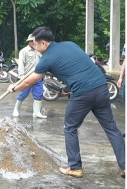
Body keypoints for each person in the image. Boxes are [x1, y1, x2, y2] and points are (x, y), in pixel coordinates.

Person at [7, 26, 125, 178]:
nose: (35, 48)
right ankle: (125, 166)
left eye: (35, 45)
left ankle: (75, 167)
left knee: (70, 127)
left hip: (83, 93)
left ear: (43, 43)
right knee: (111, 128)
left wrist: (14, 88)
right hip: (101, 87)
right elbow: (77, 65)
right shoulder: (70, 44)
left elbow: (30, 81)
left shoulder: (46, 59)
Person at [12, 33, 47, 118]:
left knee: (38, 93)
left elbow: (44, 60)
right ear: (29, 42)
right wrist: (22, 76)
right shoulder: (24, 51)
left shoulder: (39, 51)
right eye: (32, 41)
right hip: (27, 77)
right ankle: (16, 109)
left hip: (37, 76)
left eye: (35, 42)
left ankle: (36, 112)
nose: (34, 43)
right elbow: (21, 64)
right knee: (23, 94)